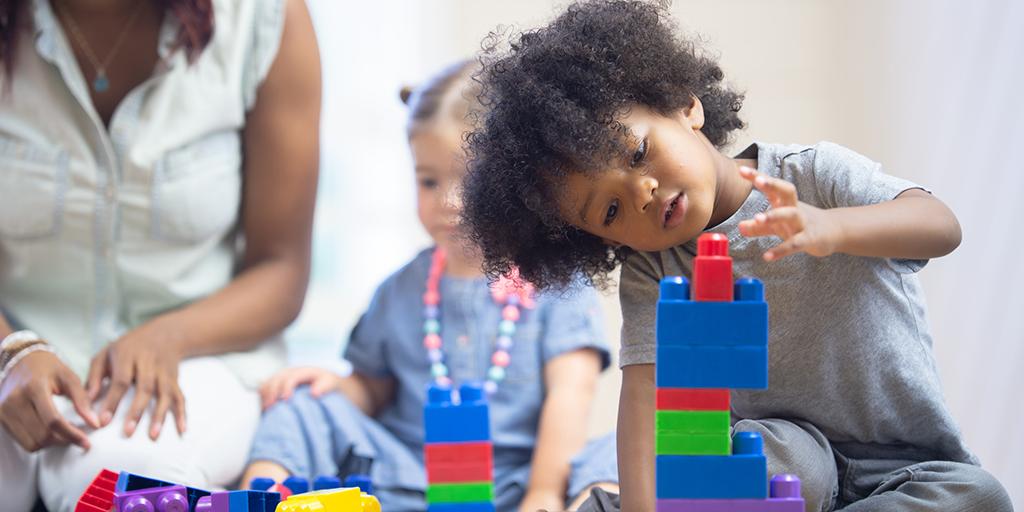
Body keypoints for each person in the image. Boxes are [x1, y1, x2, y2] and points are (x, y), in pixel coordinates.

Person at [458, 1, 1013, 511]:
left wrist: (832, 226)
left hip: (903, 469)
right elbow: (645, 401)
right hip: (774, 463)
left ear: (685, 106)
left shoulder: (814, 176)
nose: (640, 193)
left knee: (978, 495)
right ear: (600, 240)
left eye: (638, 153)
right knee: (768, 458)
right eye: (608, 211)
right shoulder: (654, 269)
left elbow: (941, 226)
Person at [241, 61, 619, 512]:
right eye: (428, 180)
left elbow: (569, 396)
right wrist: (335, 389)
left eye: (471, 179)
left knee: (622, 449)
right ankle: (258, 501)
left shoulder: (557, 281)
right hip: (407, 480)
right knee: (299, 408)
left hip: (518, 483)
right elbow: (374, 389)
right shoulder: (402, 289)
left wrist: (541, 493)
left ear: (521, 180)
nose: (449, 202)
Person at [0, 0, 320, 510]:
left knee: (132, 484)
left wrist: (171, 335)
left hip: (196, 357)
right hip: (14, 352)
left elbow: (282, 269)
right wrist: (11, 350)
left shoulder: (265, 18)